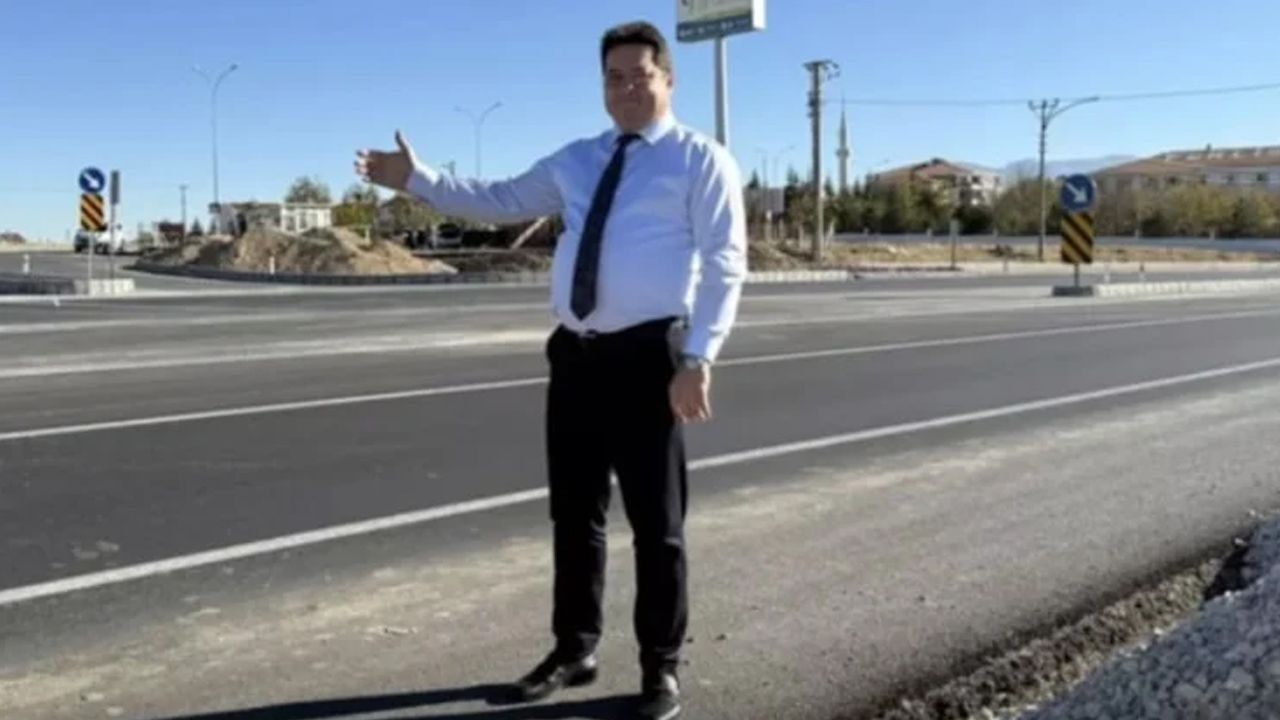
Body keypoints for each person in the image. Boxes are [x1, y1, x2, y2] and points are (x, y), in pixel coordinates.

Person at [355, 19, 746, 720]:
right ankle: (574, 649)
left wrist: (698, 357)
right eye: (613, 78)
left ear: (667, 79)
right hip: (576, 356)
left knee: (657, 525)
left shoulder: (700, 160)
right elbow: (499, 199)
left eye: (639, 76)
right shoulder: (578, 159)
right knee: (574, 515)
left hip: (648, 357)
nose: (626, 89)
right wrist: (415, 179)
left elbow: (725, 264)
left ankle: (660, 667)